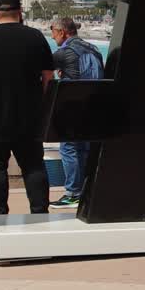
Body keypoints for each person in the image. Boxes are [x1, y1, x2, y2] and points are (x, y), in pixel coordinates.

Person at [0, 0, 54, 215]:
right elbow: (48, 79)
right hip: (29, 115)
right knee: (33, 165)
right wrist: (45, 110)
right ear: (20, 12)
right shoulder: (36, 37)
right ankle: (39, 212)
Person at [48, 17, 104, 209]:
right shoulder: (93, 48)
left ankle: (73, 192)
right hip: (94, 107)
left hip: (74, 108)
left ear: (62, 32)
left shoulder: (64, 52)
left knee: (68, 149)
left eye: (53, 32)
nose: (52, 36)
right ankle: (85, 190)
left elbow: (43, 69)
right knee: (84, 149)